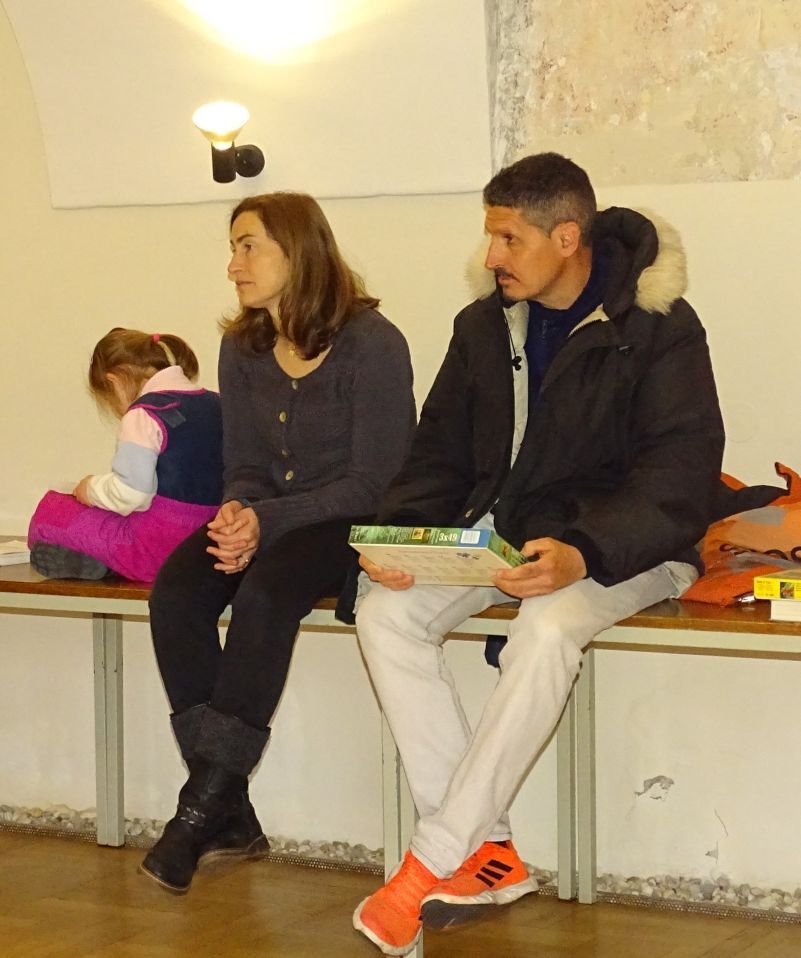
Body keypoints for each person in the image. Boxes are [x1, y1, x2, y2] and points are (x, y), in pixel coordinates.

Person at [352, 152, 725, 955]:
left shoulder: (658, 326)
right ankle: (487, 850)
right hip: (508, 536)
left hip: (628, 547)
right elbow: (436, 453)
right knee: (383, 613)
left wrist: (582, 552)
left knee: (548, 627)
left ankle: (434, 858)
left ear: (566, 237)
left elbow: (679, 476)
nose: (490, 256)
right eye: (489, 236)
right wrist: (403, 534)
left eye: (507, 238)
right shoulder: (481, 327)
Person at [141, 192, 416, 894]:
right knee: (177, 591)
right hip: (264, 515)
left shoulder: (373, 343)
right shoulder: (242, 347)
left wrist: (267, 521)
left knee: (267, 594)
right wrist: (238, 511)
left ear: (297, 250)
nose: (233, 265)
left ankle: (198, 812)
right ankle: (227, 808)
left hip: (347, 524)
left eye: (248, 246)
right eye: (233, 248)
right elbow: (243, 463)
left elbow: (374, 482)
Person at [28, 328, 223, 582]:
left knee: (50, 513)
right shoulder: (218, 403)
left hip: (156, 549)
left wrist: (89, 488)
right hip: (208, 546)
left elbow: (132, 494)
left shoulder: (144, 413)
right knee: (112, 516)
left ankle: (109, 562)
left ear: (115, 381)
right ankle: (105, 561)